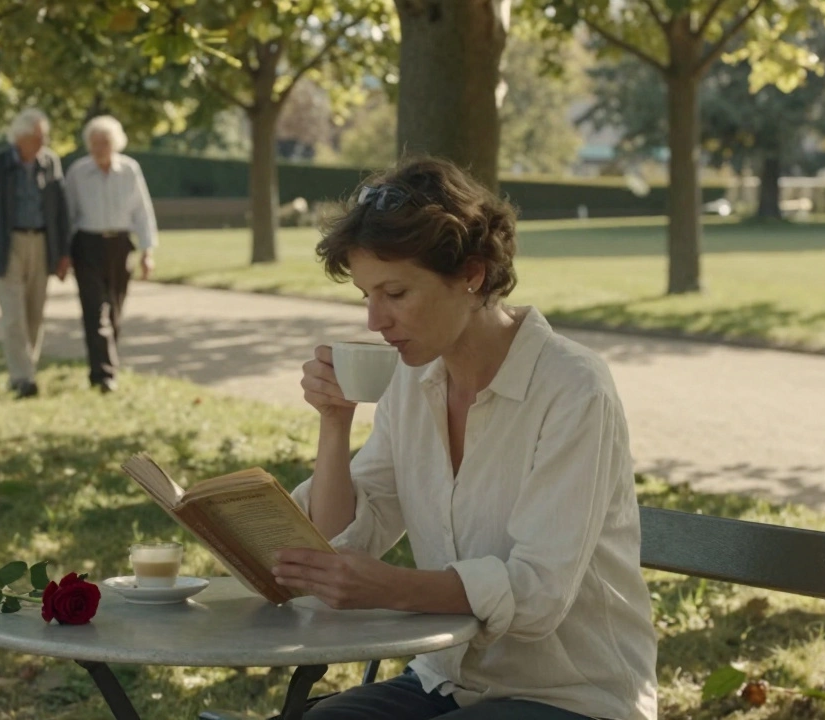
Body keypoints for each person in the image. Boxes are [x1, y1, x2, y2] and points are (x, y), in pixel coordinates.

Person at [276, 158, 657, 720]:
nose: (375, 322)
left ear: (472, 275)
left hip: (573, 696)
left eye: (396, 293)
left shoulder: (573, 389)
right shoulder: (412, 379)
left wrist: (394, 589)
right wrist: (334, 423)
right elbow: (345, 537)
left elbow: (537, 593)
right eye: (366, 296)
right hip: (445, 682)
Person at [0, 108, 71, 399]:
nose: (43, 141)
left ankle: (25, 369)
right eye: (38, 137)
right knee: (13, 314)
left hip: (41, 243)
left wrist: (64, 252)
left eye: (44, 136)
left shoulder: (51, 162)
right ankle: (23, 376)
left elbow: (61, 210)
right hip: (7, 242)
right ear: (21, 137)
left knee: (35, 313)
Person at [65, 115, 158, 393]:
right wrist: (63, 253)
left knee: (115, 310)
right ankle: (102, 375)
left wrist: (147, 251)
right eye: (94, 143)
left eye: (104, 142)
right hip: (87, 244)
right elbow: (68, 215)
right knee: (94, 312)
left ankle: (107, 364)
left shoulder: (130, 170)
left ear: (115, 143)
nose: (99, 148)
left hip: (119, 245)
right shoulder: (78, 172)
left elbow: (142, 212)